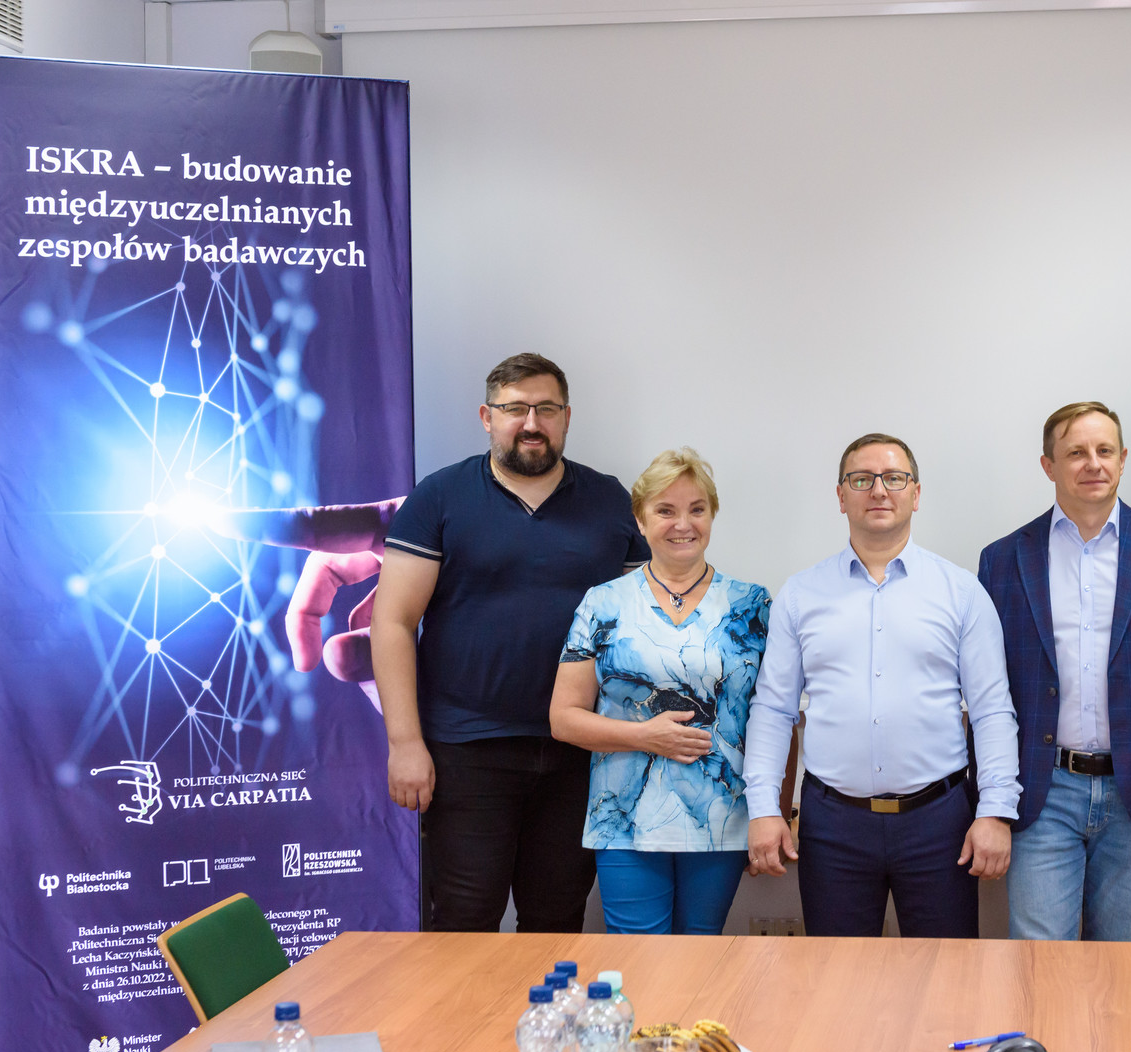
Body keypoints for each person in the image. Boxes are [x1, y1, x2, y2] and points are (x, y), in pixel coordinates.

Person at [369, 353, 649, 932]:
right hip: (467, 749)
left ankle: (544, 1003)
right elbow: (393, 621)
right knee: (464, 922)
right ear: (487, 417)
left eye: (546, 409)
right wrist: (404, 743)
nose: (531, 423)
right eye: (515, 409)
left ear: (567, 417)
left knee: (556, 919)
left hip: (579, 751)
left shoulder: (610, 501)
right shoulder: (439, 497)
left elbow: (646, 621)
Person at [741, 433, 1020, 938]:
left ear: (916, 493)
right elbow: (773, 710)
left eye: (894, 478)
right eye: (861, 479)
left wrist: (996, 811)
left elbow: (992, 711)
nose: (878, 490)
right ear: (840, 495)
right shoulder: (801, 594)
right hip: (834, 825)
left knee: (945, 974)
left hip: (939, 822)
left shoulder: (961, 592)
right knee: (836, 975)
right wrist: (763, 809)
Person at [979, 402, 1131, 942]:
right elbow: (988, 694)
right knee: (1040, 961)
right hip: (1043, 791)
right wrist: (990, 802)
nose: (1093, 463)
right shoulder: (1004, 560)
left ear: (1123, 459)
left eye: (1104, 450)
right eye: (1076, 452)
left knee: (1118, 962)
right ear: (1048, 465)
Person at [548, 448, 770, 935]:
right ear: (640, 519)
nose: (682, 524)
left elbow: (772, 718)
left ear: (712, 516)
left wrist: (771, 814)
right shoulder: (603, 602)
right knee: (639, 958)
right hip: (623, 816)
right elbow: (563, 719)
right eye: (665, 510)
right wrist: (644, 736)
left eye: (697, 509)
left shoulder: (751, 604)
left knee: (702, 953)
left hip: (721, 815)